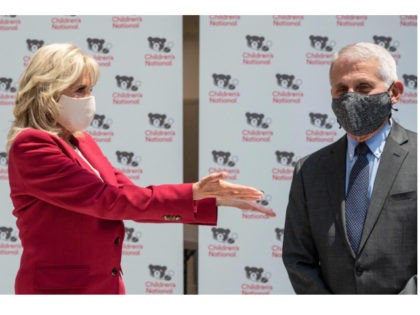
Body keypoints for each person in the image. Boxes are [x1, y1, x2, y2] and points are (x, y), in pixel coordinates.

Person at [6, 43, 275, 294]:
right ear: (48, 93)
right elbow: (108, 200)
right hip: (58, 291)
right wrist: (192, 191)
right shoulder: (31, 145)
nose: (89, 99)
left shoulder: (82, 142)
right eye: (80, 91)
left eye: (90, 89)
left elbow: (129, 195)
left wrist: (206, 198)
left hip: (104, 288)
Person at [282, 42, 417, 294]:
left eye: (363, 87)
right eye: (341, 89)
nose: (350, 97)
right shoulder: (309, 169)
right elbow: (297, 258)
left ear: (395, 92)